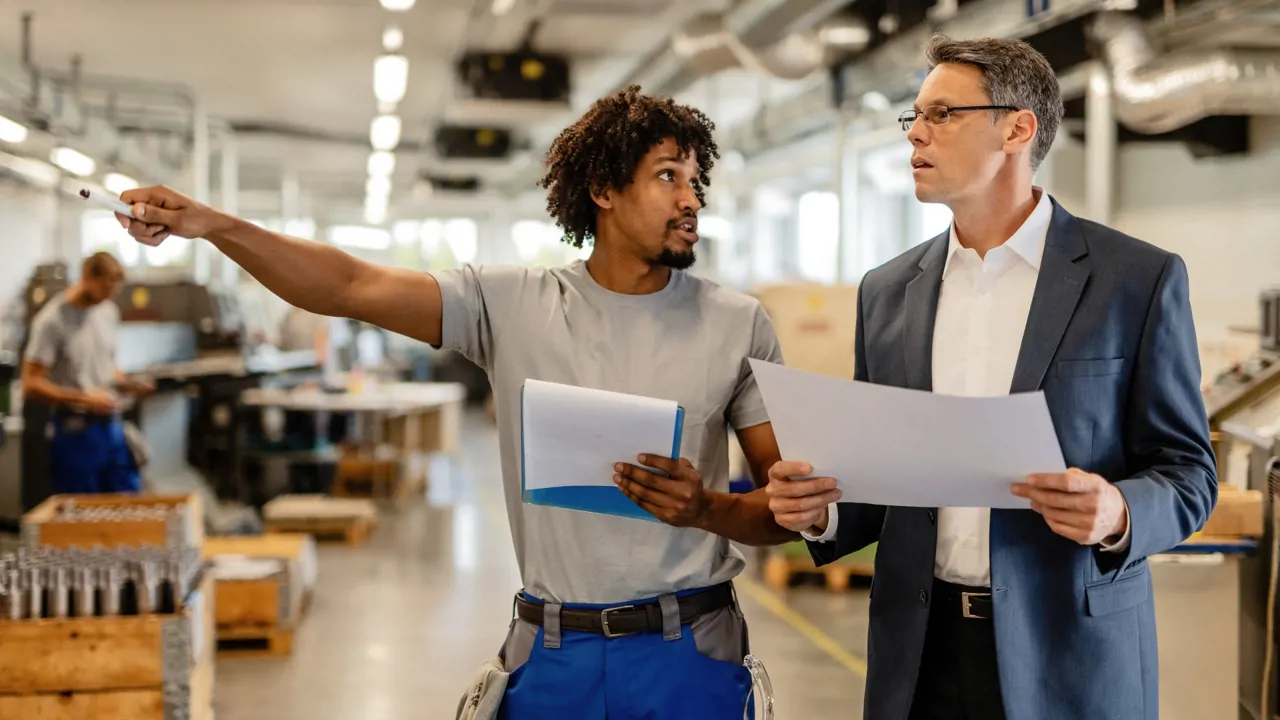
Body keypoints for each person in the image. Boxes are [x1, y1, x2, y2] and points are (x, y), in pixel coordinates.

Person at [115, 85, 812, 719]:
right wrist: (216, 226)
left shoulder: (737, 322)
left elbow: (791, 509)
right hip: (551, 654)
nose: (691, 199)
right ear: (603, 188)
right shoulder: (510, 304)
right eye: (668, 176)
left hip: (689, 653)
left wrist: (707, 509)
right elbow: (348, 286)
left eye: (696, 181)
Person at [766, 35, 1217, 720]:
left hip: (1070, 653)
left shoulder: (1136, 281)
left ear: (1018, 128)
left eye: (942, 113)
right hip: (920, 656)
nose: (915, 132)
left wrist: (1119, 511)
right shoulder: (888, 292)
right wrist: (821, 507)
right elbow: (882, 474)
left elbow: (1189, 472)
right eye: (913, 115)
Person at [21, 252, 154, 494]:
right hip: (75, 430)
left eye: (114, 289)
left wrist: (127, 383)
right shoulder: (52, 321)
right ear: (85, 277)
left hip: (112, 427)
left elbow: (105, 365)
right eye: (104, 287)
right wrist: (84, 399)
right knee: (81, 509)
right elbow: (31, 382)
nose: (108, 295)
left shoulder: (107, 311)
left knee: (126, 502)